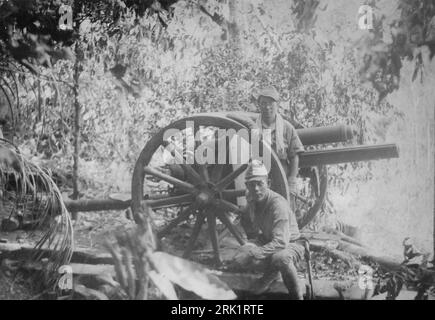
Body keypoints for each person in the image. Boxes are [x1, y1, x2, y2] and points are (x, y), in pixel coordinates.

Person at [231, 160, 305, 299]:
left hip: (291, 243)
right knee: (239, 257)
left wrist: (256, 252)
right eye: (252, 185)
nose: (256, 189)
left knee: (280, 258)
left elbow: (281, 242)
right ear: (247, 186)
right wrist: (251, 245)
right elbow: (249, 222)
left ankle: (297, 296)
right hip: (268, 240)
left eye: (260, 183)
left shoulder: (278, 205)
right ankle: (272, 273)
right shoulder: (251, 198)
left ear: (268, 183)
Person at [254, 86, 304, 211]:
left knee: (286, 213)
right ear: (259, 105)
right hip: (260, 176)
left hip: (282, 175)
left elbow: (294, 155)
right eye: (263, 103)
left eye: (271, 103)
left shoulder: (287, 127)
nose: (267, 107)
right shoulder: (252, 127)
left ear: (277, 105)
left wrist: (292, 179)